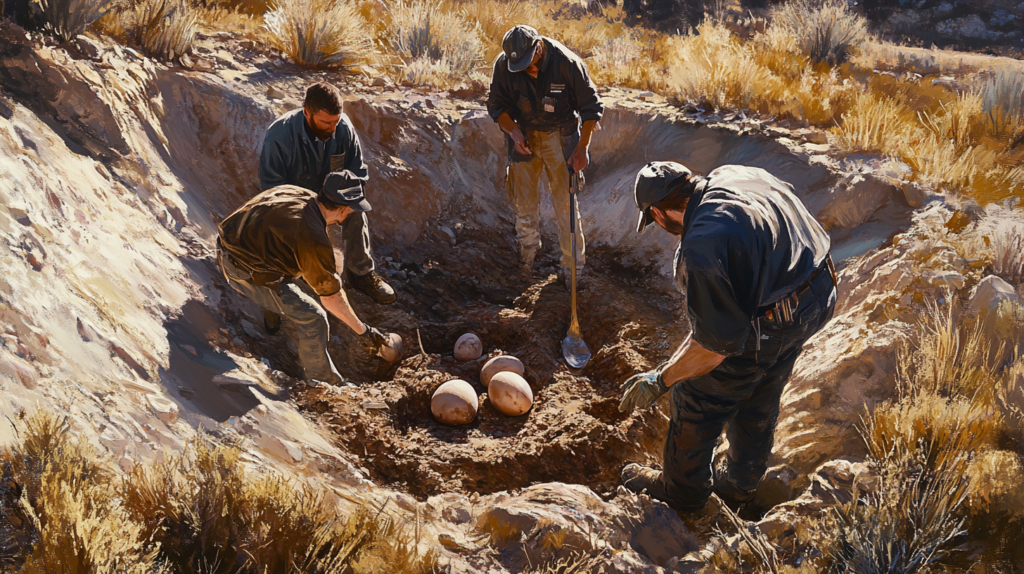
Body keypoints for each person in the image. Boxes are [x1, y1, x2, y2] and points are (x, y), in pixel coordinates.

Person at [618, 162, 837, 516]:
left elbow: (712, 348)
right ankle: (739, 487)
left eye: (655, 220)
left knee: (696, 397)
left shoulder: (703, 245)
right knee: (762, 388)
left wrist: (662, 379)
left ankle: (683, 496)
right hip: (817, 287)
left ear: (658, 213)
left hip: (775, 316)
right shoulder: (734, 174)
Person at [218, 171, 388, 387]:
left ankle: (273, 312)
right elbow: (331, 298)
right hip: (240, 268)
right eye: (354, 207)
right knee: (314, 317)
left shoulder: (298, 193)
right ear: (344, 208)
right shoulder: (311, 236)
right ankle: (323, 382)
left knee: (305, 273)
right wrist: (363, 331)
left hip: (235, 245)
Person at [259, 82, 395, 327]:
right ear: (306, 113)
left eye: (336, 121)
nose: (333, 129)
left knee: (355, 211)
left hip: (330, 197)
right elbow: (273, 188)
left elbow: (358, 173)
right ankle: (276, 296)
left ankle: (360, 273)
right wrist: (309, 214)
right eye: (325, 123)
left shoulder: (342, 128)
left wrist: (343, 202)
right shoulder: (279, 135)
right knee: (281, 232)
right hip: (292, 203)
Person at [487, 24, 604, 288]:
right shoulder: (506, 64)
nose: (527, 69)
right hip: (524, 135)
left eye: (529, 63)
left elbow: (591, 107)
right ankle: (527, 258)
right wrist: (514, 133)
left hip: (561, 137)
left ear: (538, 47)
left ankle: (573, 267)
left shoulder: (567, 63)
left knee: (566, 204)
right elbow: (496, 105)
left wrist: (582, 147)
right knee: (523, 203)